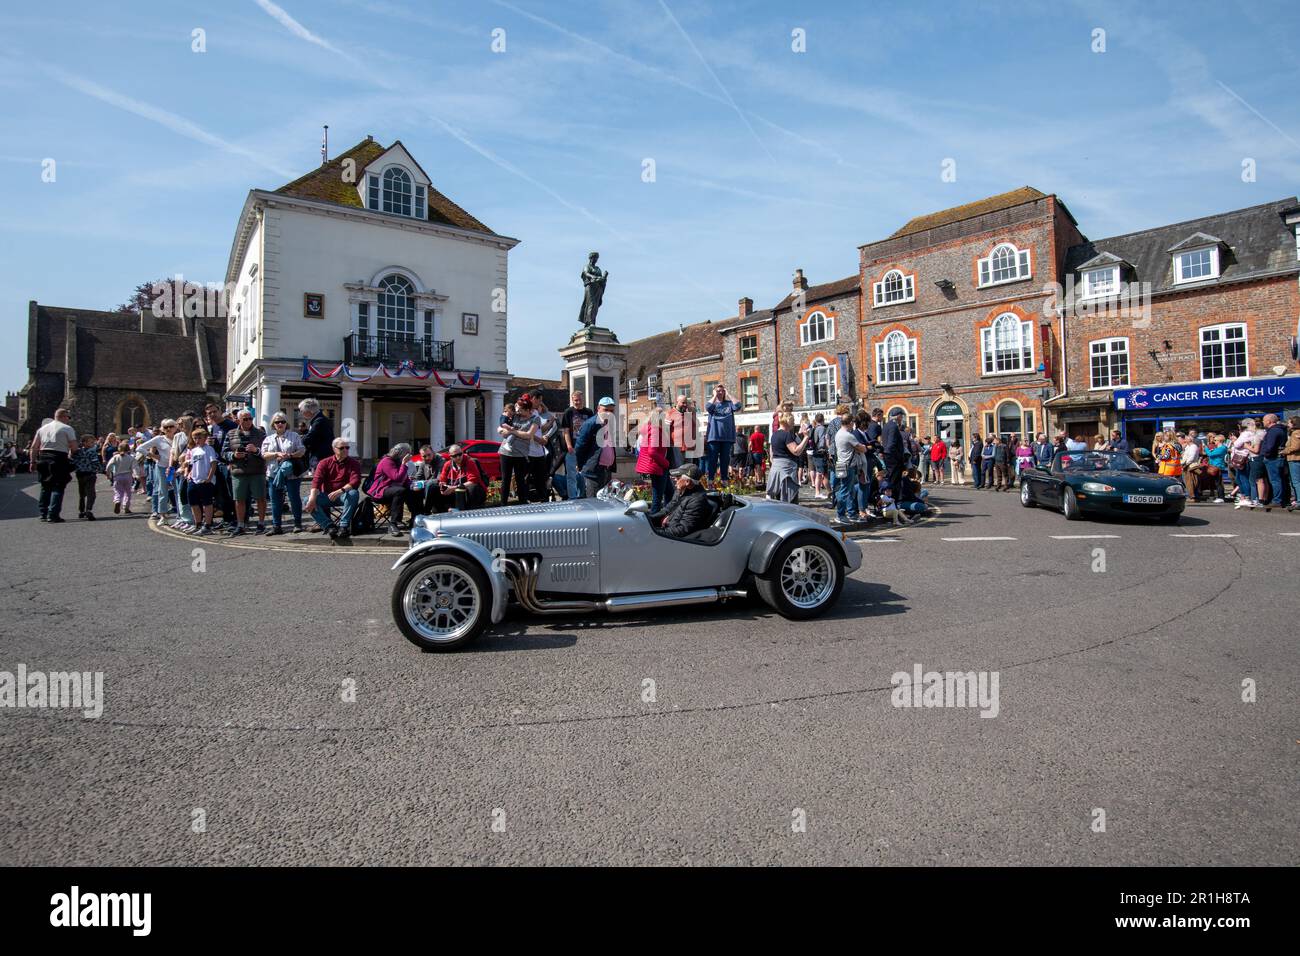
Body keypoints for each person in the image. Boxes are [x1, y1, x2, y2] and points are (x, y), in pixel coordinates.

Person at [222, 410, 268, 536]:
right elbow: (224, 453)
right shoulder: (231, 434)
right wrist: (234, 455)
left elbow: (267, 452)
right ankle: (241, 524)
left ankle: (261, 524)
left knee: (260, 498)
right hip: (238, 471)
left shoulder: (261, 433)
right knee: (239, 499)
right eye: (245, 419)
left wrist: (256, 450)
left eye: (250, 418)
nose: (248, 421)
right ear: (238, 420)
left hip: (257, 471)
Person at [306, 437, 361, 539]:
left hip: (344, 495)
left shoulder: (354, 463)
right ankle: (329, 526)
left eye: (347, 448)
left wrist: (341, 491)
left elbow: (355, 481)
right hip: (327, 496)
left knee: (353, 493)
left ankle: (343, 526)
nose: (345, 450)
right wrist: (312, 498)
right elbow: (316, 481)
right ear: (334, 449)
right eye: (342, 448)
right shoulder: (324, 463)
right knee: (307, 500)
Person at [262, 412, 306, 534]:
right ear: (273, 424)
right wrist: (276, 454)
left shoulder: (294, 436)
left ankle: (297, 524)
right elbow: (264, 455)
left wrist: (290, 455)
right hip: (274, 474)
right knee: (275, 500)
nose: (280, 424)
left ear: (287, 423)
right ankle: (277, 526)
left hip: (291, 473)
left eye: (282, 421)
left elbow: (302, 450)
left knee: (294, 498)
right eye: (277, 422)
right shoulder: (268, 439)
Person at [31, 409, 79, 523]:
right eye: (68, 417)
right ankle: (53, 514)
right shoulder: (67, 428)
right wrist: (72, 455)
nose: (68, 419)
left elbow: (34, 447)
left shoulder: (42, 429)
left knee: (45, 486)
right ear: (63, 416)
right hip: (58, 457)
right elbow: (74, 447)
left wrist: (32, 462)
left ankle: (43, 513)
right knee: (58, 486)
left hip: (43, 457)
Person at [649, 465, 714, 538]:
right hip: (667, 528)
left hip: (677, 540)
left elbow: (682, 529)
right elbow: (667, 509)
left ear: (687, 482)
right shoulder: (681, 490)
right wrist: (649, 520)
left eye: (678, 477)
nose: (673, 479)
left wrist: (655, 533)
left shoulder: (697, 501)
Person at [497, 395, 539, 507]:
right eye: (518, 409)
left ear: (529, 410)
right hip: (506, 452)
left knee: (520, 480)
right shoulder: (515, 415)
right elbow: (501, 423)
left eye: (521, 410)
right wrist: (501, 430)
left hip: (521, 454)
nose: (518, 412)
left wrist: (513, 431)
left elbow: (528, 435)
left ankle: (522, 504)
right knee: (505, 479)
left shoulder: (535, 419)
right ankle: (503, 505)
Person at [575, 397, 618, 496]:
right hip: (593, 471)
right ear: (598, 408)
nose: (609, 413)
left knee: (604, 501)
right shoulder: (590, 424)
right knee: (594, 502)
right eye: (606, 410)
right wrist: (581, 465)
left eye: (611, 410)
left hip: (606, 470)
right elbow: (580, 446)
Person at [136, 420, 176, 522]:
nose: (168, 429)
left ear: (175, 427)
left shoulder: (179, 437)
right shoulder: (159, 439)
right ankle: (162, 515)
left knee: (177, 491)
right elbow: (140, 448)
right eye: (165, 427)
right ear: (162, 428)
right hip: (162, 468)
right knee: (163, 491)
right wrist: (155, 456)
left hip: (176, 467)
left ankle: (180, 516)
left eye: (171, 426)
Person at [369, 443, 412, 536]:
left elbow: (405, 480)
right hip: (380, 491)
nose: (410, 456)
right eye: (408, 453)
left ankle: (415, 518)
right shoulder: (387, 461)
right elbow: (397, 477)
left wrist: (414, 485)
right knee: (400, 491)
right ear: (401, 453)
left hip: (392, 490)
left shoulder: (398, 463)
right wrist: (404, 464)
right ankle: (393, 524)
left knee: (413, 491)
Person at [767, 412, 810, 505]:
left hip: (776, 471)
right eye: (793, 421)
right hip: (786, 472)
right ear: (788, 421)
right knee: (790, 502)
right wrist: (806, 437)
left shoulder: (774, 435)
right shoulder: (786, 435)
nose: (794, 423)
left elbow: (771, 455)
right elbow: (796, 451)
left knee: (778, 500)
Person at [703, 385, 740, 485]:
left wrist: (728, 394)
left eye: (722, 391)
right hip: (714, 436)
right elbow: (707, 407)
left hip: (727, 437)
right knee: (713, 460)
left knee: (725, 460)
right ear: (714, 392)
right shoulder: (713, 404)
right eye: (718, 391)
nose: (720, 392)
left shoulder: (729, 404)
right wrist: (714, 396)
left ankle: (724, 480)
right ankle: (710, 480)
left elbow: (738, 405)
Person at [559, 391, 593, 500]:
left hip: (585, 449)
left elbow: (592, 430)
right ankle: (572, 497)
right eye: (575, 400)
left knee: (583, 475)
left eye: (579, 400)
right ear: (572, 400)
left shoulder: (589, 412)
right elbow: (566, 431)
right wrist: (569, 445)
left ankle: (582, 495)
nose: (577, 402)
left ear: (583, 399)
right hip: (572, 448)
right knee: (571, 475)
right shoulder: (568, 412)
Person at [185, 427, 219, 535]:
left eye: (199, 438)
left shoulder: (209, 449)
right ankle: (198, 524)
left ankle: (207, 525)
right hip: (194, 480)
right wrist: (189, 474)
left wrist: (209, 478)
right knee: (194, 503)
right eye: (195, 438)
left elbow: (213, 464)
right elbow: (192, 464)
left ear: (205, 438)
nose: (197, 440)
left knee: (207, 503)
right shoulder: (194, 450)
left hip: (205, 480)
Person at [435, 444, 487, 512]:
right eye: (455, 456)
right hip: (453, 492)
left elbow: (473, 481)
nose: (458, 457)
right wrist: (443, 488)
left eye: (460, 454)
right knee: (434, 487)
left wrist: (454, 488)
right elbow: (442, 480)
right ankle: (438, 511)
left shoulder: (470, 462)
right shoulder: (447, 465)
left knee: (471, 488)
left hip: (470, 493)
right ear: (450, 456)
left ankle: (468, 511)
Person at [636, 415, 671, 513]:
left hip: (659, 466)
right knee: (658, 497)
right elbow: (652, 451)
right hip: (658, 466)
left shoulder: (652, 429)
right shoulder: (656, 430)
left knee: (669, 492)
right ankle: (654, 519)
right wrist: (666, 463)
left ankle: (666, 515)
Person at [1257, 413, 1288, 511]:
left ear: (1269, 421)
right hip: (1277, 458)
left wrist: (1265, 454)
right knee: (1279, 480)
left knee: (1275, 480)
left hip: (1273, 459)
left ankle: (1277, 501)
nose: (1263, 422)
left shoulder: (1273, 431)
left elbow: (1270, 446)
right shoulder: (1281, 430)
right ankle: (1282, 499)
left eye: (1264, 420)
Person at [1229, 419, 1260, 508]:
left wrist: (1236, 442)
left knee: (1242, 478)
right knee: (1239, 478)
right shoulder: (1252, 433)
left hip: (1243, 458)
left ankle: (1246, 497)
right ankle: (1244, 496)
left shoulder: (1246, 434)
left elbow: (1237, 444)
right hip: (1245, 457)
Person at [299, 398, 334, 471]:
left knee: (318, 478)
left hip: (321, 456)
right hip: (320, 455)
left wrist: (297, 440)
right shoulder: (317, 419)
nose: (301, 413)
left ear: (310, 411)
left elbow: (310, 437)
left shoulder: (319, 421)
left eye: (302, 411)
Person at [71, 434, 100, 520]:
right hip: (90, 474)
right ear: (84, 443)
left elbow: (73, 461)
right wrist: (102, 470)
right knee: (91, 493)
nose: (93, 444)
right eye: (91, 442)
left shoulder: (77, 452)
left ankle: (81, 511)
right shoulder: (92, 452)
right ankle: (88, 510)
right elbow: (95, 463)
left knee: (82, 493)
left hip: (80, 474)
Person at [105, 441, 136, 514]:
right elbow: (135, 467)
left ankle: (117, 501)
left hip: (118, 476)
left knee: (118, 491)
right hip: (128, 476)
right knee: (128, 492)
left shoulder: (115, 457)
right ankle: (126, 507)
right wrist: (136, 475)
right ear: (128, 449)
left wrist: (108, 473)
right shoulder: (131, 458)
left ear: (119, 449)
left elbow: (109, 465)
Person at [1180, 431, 1204, 502]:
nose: (1184, 440)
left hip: (1190, 466)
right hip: (1186, 466)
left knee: (1191, 482)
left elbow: (1191, 458)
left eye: (1186, 439)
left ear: (1189, 440)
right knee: (1189, 482)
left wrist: (1185, 464)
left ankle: (1192, 497)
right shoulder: (1188, 446)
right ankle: (1192, 496)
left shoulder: (1193, 447)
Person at [1283, 417, 1300, 512]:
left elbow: (1296, 447)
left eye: (1289, 423)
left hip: (1294, 459)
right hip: (1295, 459)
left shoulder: (1296, 433)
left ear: (1294, 424)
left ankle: (1299, 501)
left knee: (1296, 482)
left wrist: (1284, 451)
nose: (1287, 424)